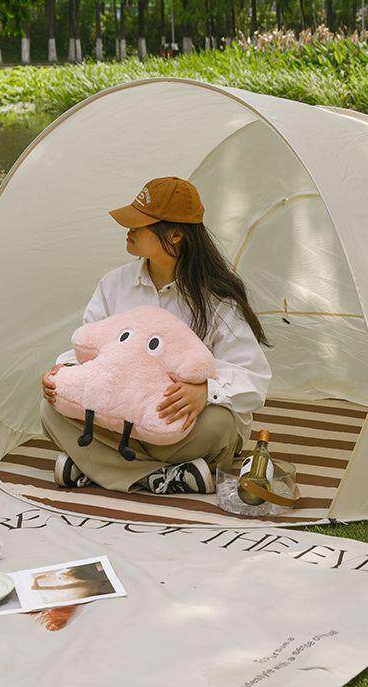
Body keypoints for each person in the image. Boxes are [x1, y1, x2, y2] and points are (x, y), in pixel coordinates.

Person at [40, 176, 272, 495]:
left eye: (139, 225)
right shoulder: (114, 285)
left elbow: (254, 378)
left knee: (219, 426)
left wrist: (206, 392)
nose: (128, 230)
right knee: (50, 408)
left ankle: (95, 465)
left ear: (175, 235)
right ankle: (160, 477)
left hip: (181, 425)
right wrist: (64, 371)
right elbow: (88, 347)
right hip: (123, 418)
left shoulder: (218, 299)